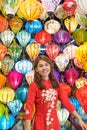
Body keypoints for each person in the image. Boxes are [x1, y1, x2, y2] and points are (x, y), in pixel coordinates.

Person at [24, 55, 87, 130]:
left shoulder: (56, 84)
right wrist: (27, 127)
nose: (44, 68)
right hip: (40, 122)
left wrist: (78, 118)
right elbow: (29, 108)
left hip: (54, 122)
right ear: (36, 69)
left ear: (50, 66)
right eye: (40, 66)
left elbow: (66, 102)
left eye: (46, 65)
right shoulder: (34, 85)